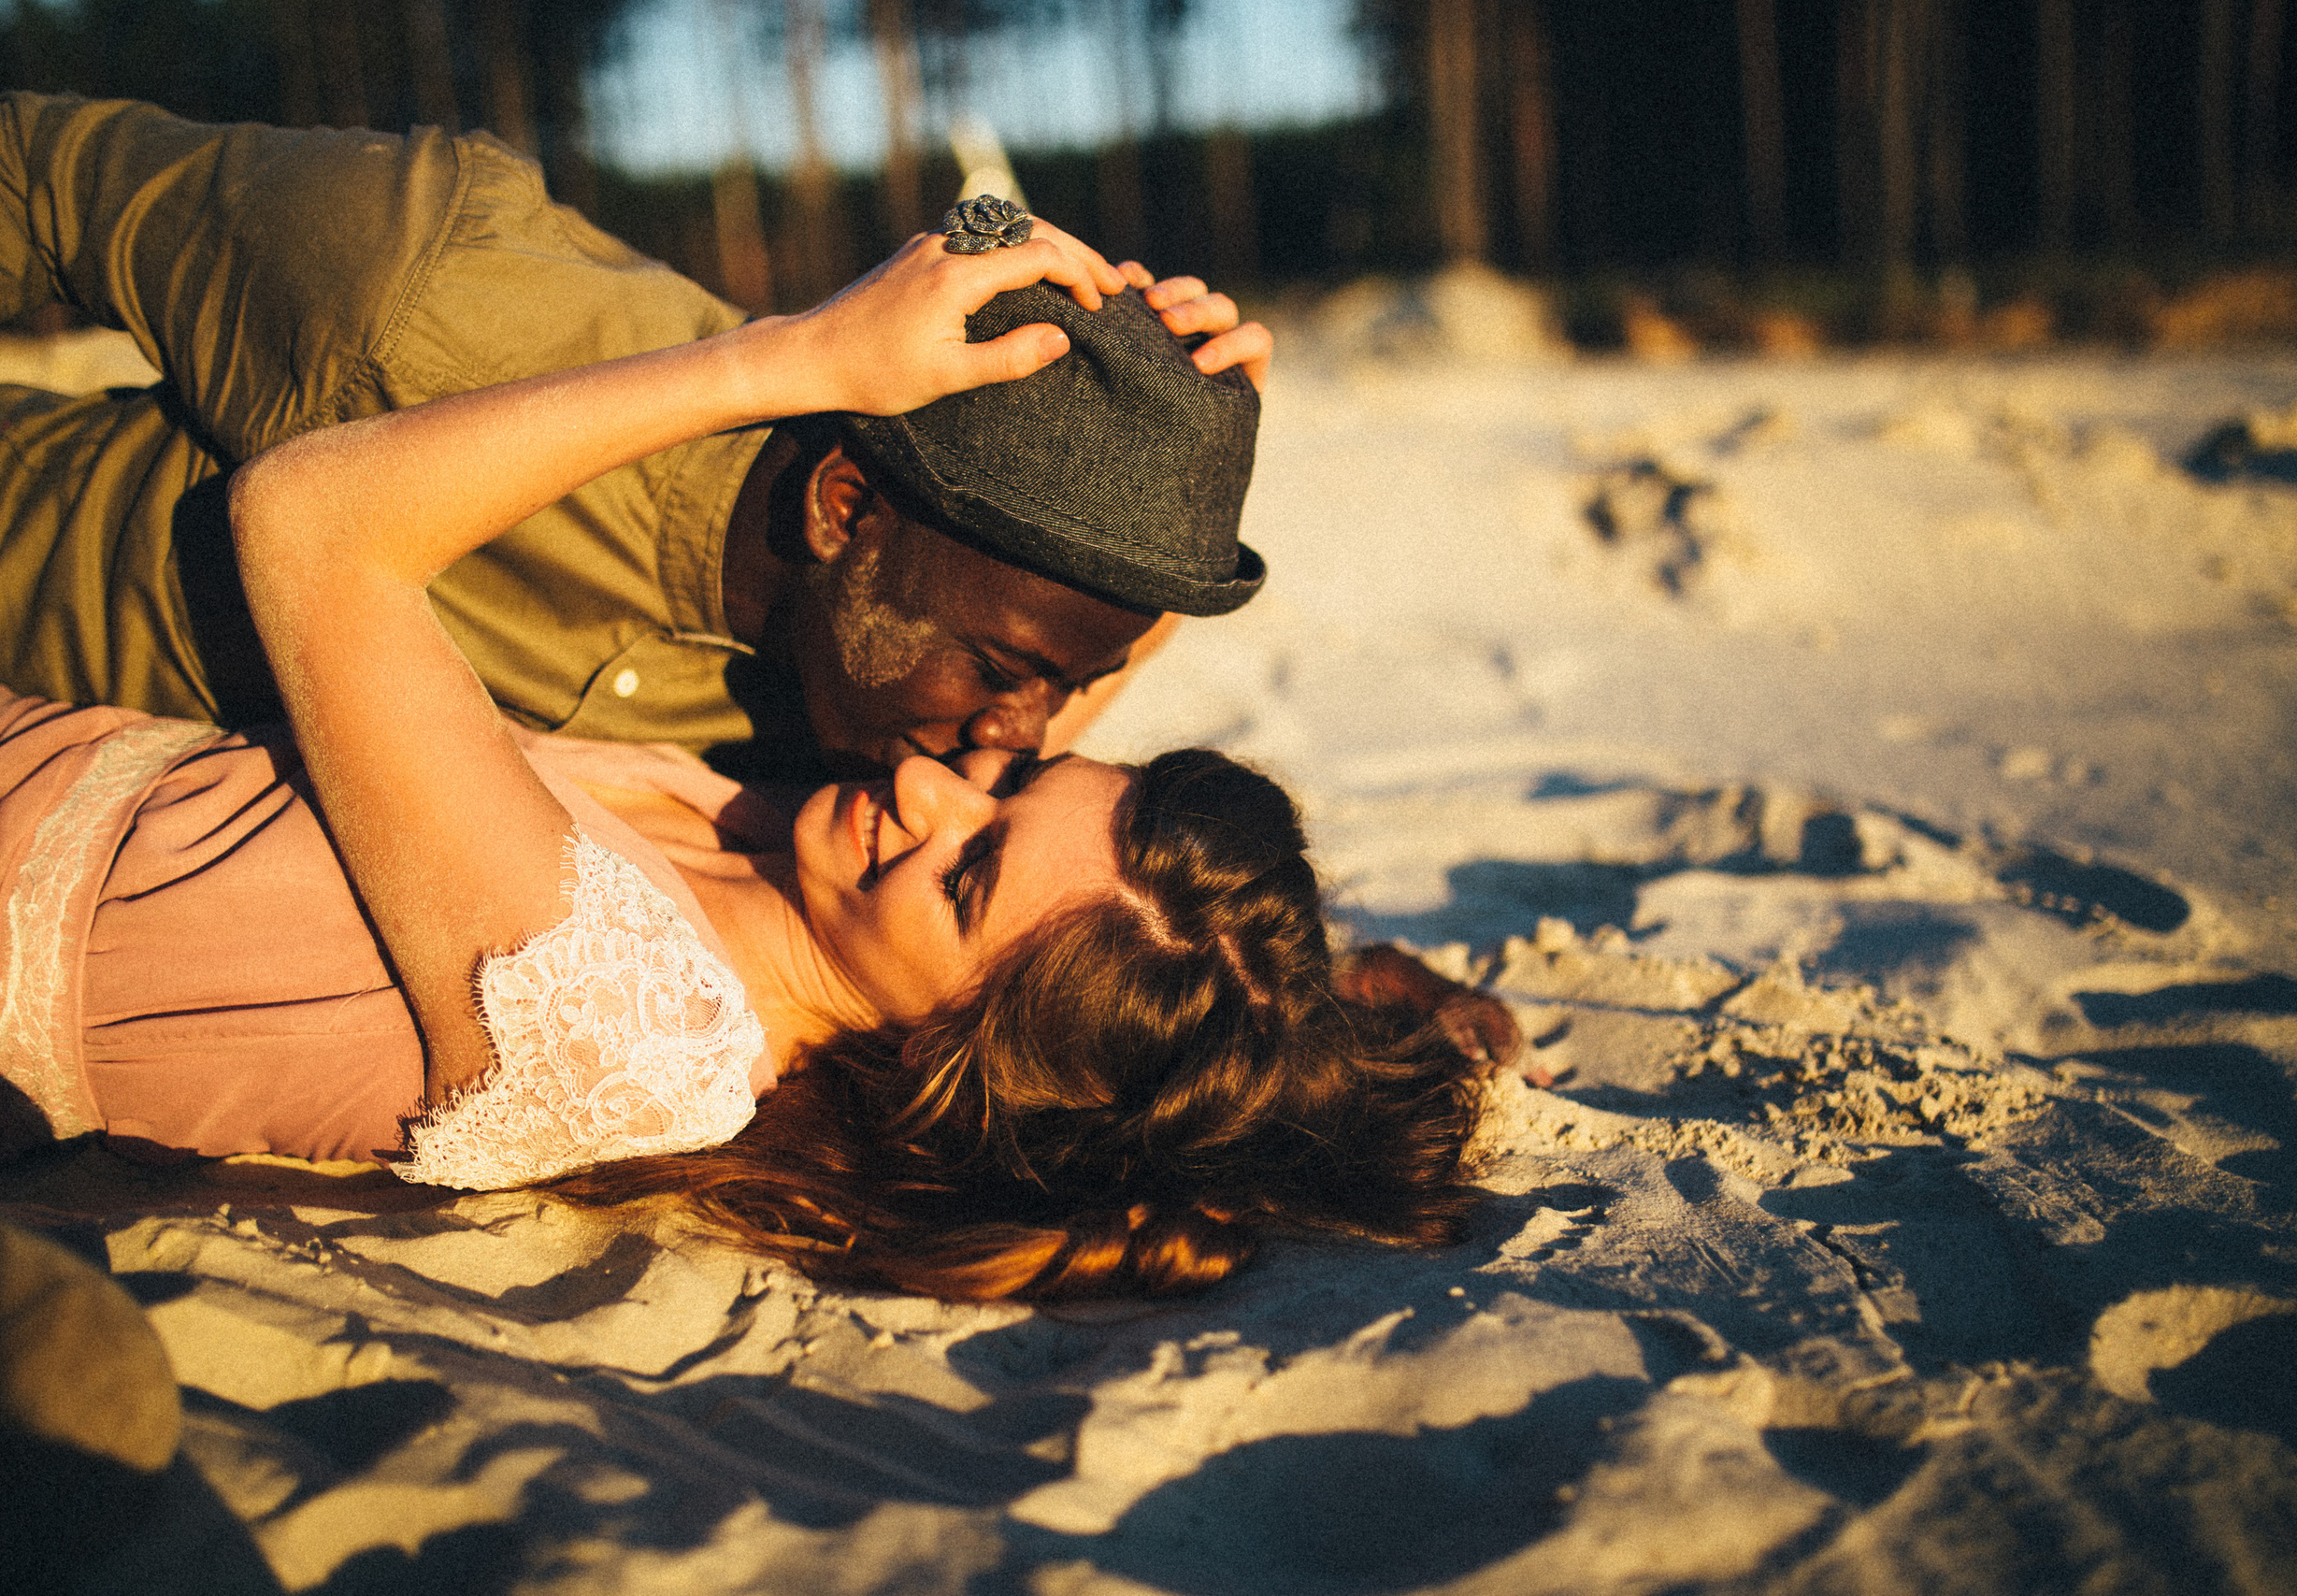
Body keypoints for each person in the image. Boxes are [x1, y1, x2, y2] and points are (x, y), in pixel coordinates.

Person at [0, 228, 1493, 1301]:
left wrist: (798, 359)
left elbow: (310, 528)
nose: (939, 782)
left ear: (951, 1053)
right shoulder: (803, 854)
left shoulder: (630, 1021)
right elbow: (1095, 825)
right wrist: (1166, 449)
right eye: (1010, 788)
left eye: (964, 868)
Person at [0, 92, 1273, 784]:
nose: (1025, 736)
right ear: (842, 510)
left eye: (1065, 687)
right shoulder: (426, 289)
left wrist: (1164, 443)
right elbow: (39, 179)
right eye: (1001, 672)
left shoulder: (877, 694)